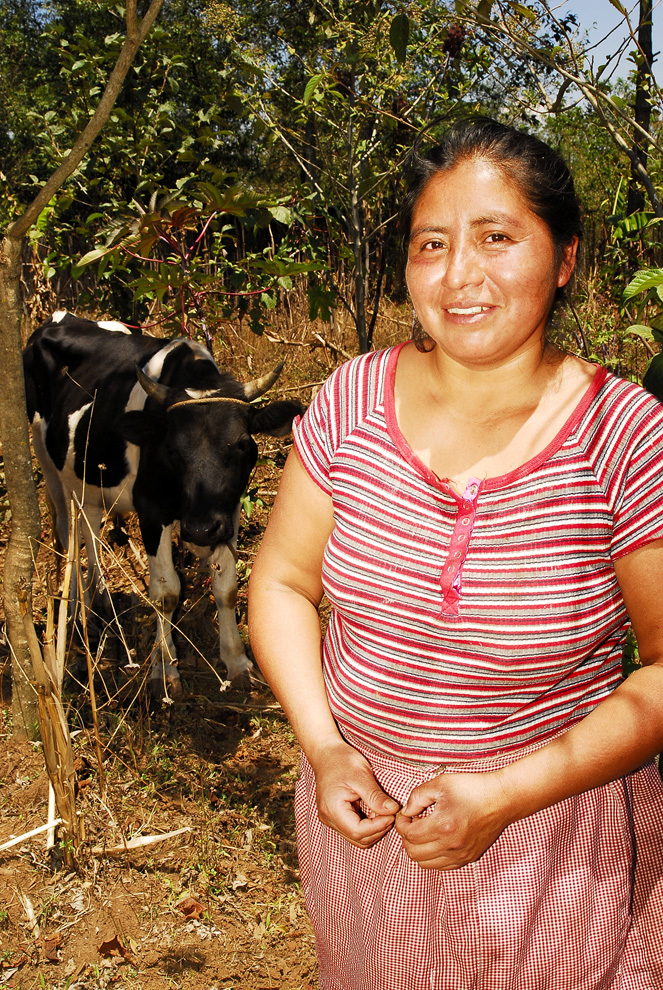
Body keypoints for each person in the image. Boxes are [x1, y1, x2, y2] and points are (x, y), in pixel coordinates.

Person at [248, 119, 663, 990]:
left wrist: (502, 797)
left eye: (496, 237)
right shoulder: (350, 399)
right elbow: (283, 581)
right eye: (430, 243)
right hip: (362, 827)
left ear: (565, 258)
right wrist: (325, 750)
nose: (458, 275)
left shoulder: (624, 436)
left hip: (551, 839)